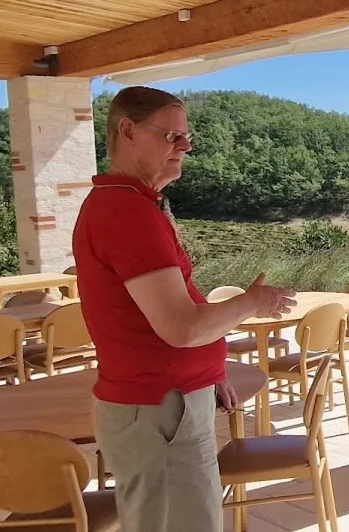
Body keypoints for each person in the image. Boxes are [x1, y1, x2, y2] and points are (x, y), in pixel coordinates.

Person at [73, 87, 294, 532]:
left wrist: (208, 374)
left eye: (186, 136)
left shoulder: (128, 204)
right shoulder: (126, 212)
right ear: (127, 130)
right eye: (172, 135)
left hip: (164, 406)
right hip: (159, 413)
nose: (186, 147)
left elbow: (167, 318)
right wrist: (252, 302)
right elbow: (181, 327)